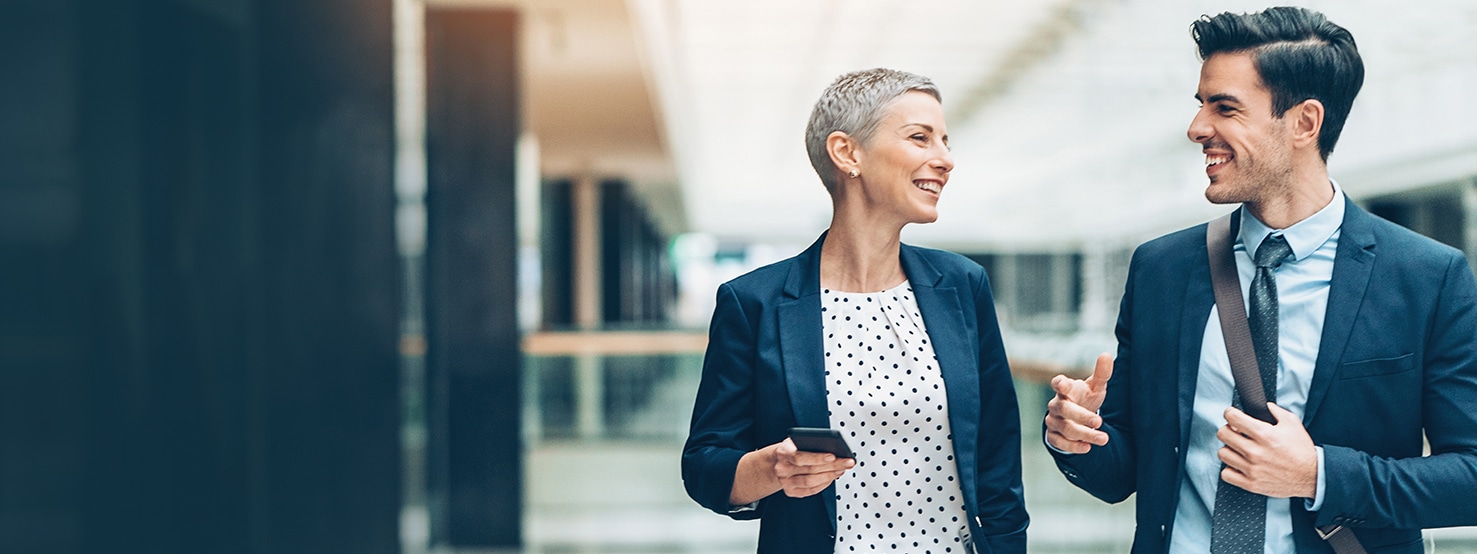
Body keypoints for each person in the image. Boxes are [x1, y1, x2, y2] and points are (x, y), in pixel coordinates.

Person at [1044, 6, 1477, 554]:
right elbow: (1124, 471)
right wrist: (1076, 437)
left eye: (1224, 107)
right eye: (1200, 105)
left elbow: (1470, 477)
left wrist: (1319, 475)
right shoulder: (1162, 269)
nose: (1198, 128)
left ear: (1304, 123)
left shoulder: (1426, 278)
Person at [683, 68, 1029, 553]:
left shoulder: (961, 286)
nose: (945, 159)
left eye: (946, 141)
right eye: (920, 137)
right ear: (848, 154)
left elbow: (997, 465)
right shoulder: (754, 302)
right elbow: (704, 465)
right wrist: (770, 469)